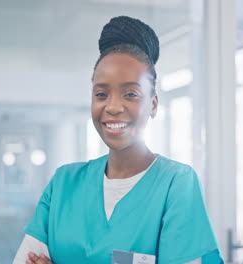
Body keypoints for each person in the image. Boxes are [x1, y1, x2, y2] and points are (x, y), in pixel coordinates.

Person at [12, 15, 224, 264]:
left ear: (153, 104)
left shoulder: (176, 184)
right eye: (101, 94)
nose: (112, 106)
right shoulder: (63, 184)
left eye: (130, 94)